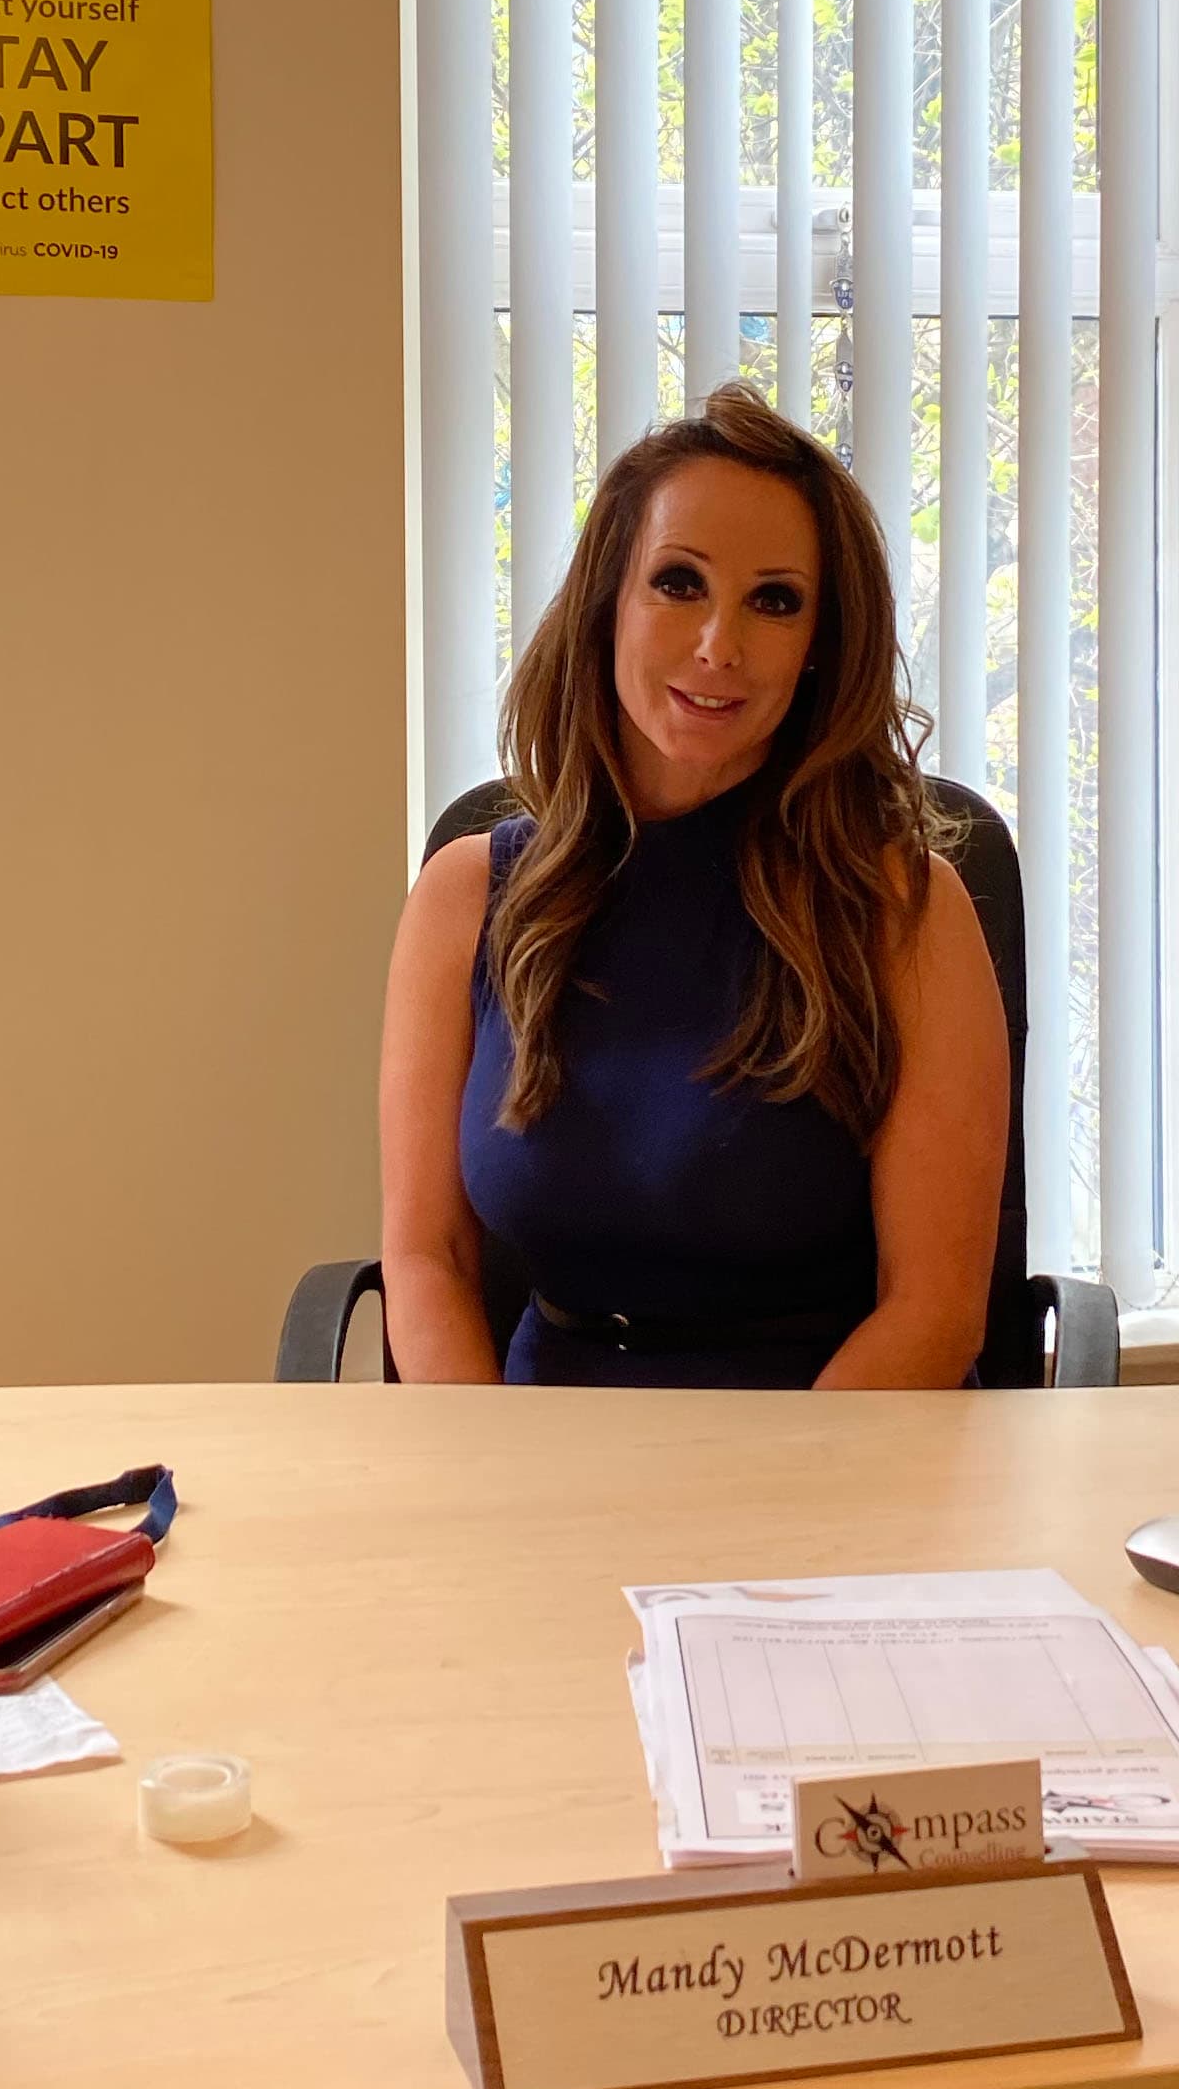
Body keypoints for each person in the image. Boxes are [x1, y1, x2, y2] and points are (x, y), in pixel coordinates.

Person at [380, 383, 1009, 1388]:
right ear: (606, 606)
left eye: (775, 599)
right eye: (679, 582)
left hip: (837, 1453)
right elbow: (427, 1261)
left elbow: (934, 1312)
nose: (721, 644)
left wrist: (758, 1518)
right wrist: (485, 1480)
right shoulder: (468, 897)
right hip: (544, 1456)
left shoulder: (905, 912)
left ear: (818, 648)